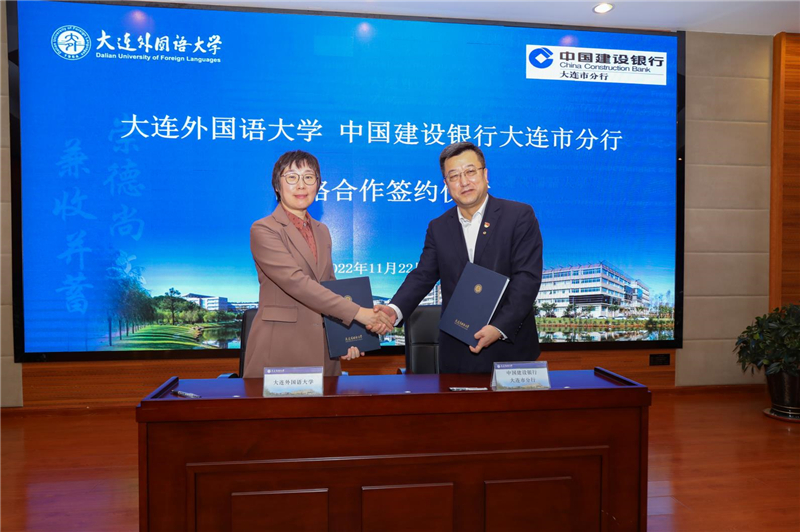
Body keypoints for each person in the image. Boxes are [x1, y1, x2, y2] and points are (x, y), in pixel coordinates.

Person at [377, 142, 543, 373]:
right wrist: (393, 309)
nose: (464, 182)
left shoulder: (518, 216)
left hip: (510, 349)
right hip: (458, 352)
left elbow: (527, 279)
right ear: (446, 184)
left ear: (485, 174)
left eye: (470, 171)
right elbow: (422, 276)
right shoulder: (438, 227)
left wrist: (498, 327)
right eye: (454, 176)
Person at [243, 150, 393, 378]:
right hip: (280, 348)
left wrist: (347, 338)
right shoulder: (264, 229)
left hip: (323, 350)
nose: (301, 185)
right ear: (277, 186)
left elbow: (330, 286)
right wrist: (359, 314)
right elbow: (296, 282)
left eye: (308, 177)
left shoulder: (322, 231)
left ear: (318, 185)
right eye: (291, 177)